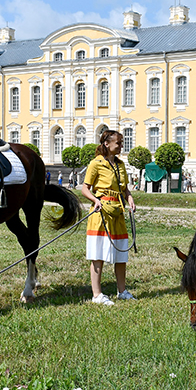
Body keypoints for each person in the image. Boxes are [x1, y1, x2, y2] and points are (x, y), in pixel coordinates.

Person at [81, 130, 137, 305]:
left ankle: (122, 291)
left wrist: (130, 198)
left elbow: (124, 188)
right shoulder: (96, 164)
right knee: (98, 254)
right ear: (107, 144)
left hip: (118, 212)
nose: (121, 146)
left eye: (121, 143)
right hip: (101, 213)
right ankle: (97, 295)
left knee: (121, 254)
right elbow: (84, 188)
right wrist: (95, 200)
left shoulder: (120, 164)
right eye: (118, 143)